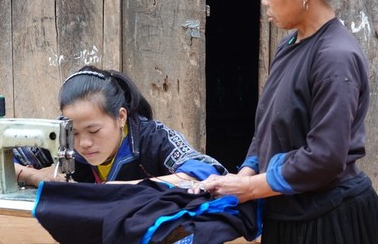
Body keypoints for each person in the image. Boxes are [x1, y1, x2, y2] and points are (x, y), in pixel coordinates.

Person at [197, 0, 378, 243]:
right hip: (291, 217)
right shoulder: (290, 45)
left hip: (331, 223)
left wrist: (253, 188)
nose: (263, 1)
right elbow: (271, 126)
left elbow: (325, 157)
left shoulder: (335, 57)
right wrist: (248, 171)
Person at [15, 65, 227, 188]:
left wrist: (123, 188)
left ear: (121, 117)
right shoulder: (61, 134)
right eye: (75, 133)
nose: (84, 143)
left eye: (94, 130)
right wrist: (33, 175)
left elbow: (206, 172)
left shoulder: (154, 138)